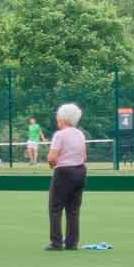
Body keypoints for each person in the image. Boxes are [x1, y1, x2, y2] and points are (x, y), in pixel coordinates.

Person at [46, 102, 87, 251]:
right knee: (73, 209)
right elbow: (84, 155)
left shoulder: (59, 135)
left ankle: (56, 242)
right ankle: (72, 242)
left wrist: (52, 165)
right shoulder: (80, 133)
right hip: (80, 170)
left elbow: (52, 157)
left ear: (62, 118)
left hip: (63, 171)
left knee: (55, 208)